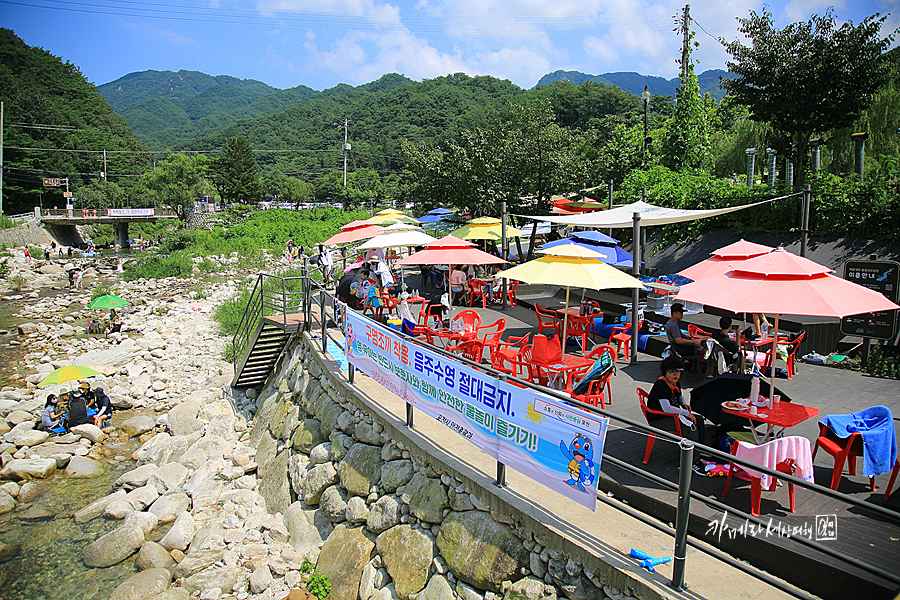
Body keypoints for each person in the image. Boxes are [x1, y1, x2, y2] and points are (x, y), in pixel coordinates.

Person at [647, 356, 706, 447]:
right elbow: (666, 408)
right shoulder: (661, 385)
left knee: (698, 419)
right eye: (671, 372)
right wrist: (685, 412)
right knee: (691, 427)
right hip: (660, 418)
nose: (675, 375)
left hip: (673, 415)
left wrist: (684, 404)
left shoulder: (675, 383)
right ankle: (694, 456)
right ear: (665, 373)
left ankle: (702, 447)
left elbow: (679, 395)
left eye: (677, 371)